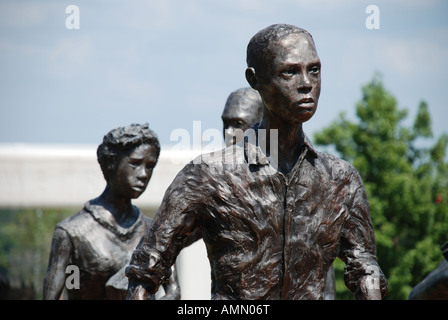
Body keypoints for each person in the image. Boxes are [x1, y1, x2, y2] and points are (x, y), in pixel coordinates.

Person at [126, 24, 388, 300]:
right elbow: (144, 274)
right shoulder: (208, 176)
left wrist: (369, 282)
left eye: (314, 70)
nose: (306, 83)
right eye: (289, 72)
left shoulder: (341, 180)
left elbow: (364, 267)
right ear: (255, 79)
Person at [43, 123, 180, 300]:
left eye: (150, 166)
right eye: (135, 163)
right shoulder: (71, 233)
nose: (143, 174)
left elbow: (174, 292)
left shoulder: (155, 232)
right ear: (111, 163)